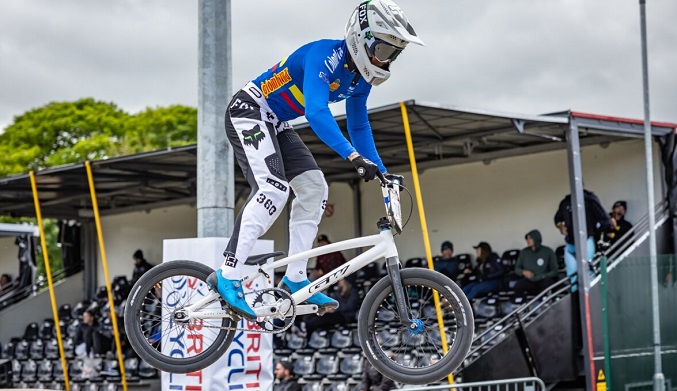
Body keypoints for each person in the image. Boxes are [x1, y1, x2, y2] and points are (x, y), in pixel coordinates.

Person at [208, 0, 424, 320]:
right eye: (382, 48)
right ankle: (228, 273)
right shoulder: (324, 55)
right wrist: (352, 156)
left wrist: (381, 171)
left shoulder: (359, 79)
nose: (385, 58)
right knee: (273, 189)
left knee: (314, 187)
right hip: (249, 111)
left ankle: (296, 278)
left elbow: (359, 124)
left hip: (277, 123)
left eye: (393, 53)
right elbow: (316, 112)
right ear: (361, 39)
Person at [554, 188, 612, 291]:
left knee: (586, 272)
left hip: (586, 240)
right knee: (572, 274)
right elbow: (557, 219)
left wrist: (606, 224)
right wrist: (560, 226)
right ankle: (577, 301)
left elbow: (603, 217)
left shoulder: (589, 199)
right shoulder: (566, 201)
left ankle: (591, 299)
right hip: (570, 242)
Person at [513, 230, 559, 296]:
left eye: (530, 238)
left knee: (546, 284)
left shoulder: (548, 251)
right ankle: (522, 304)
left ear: (536, 238)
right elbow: (517, 268)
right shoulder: (524, 252)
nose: (528, 240)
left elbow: (555, 271)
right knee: (518, 285)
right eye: (527, 238)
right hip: (529, 279)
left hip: (544, 279)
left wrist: (542, 276)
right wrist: (523, 272)